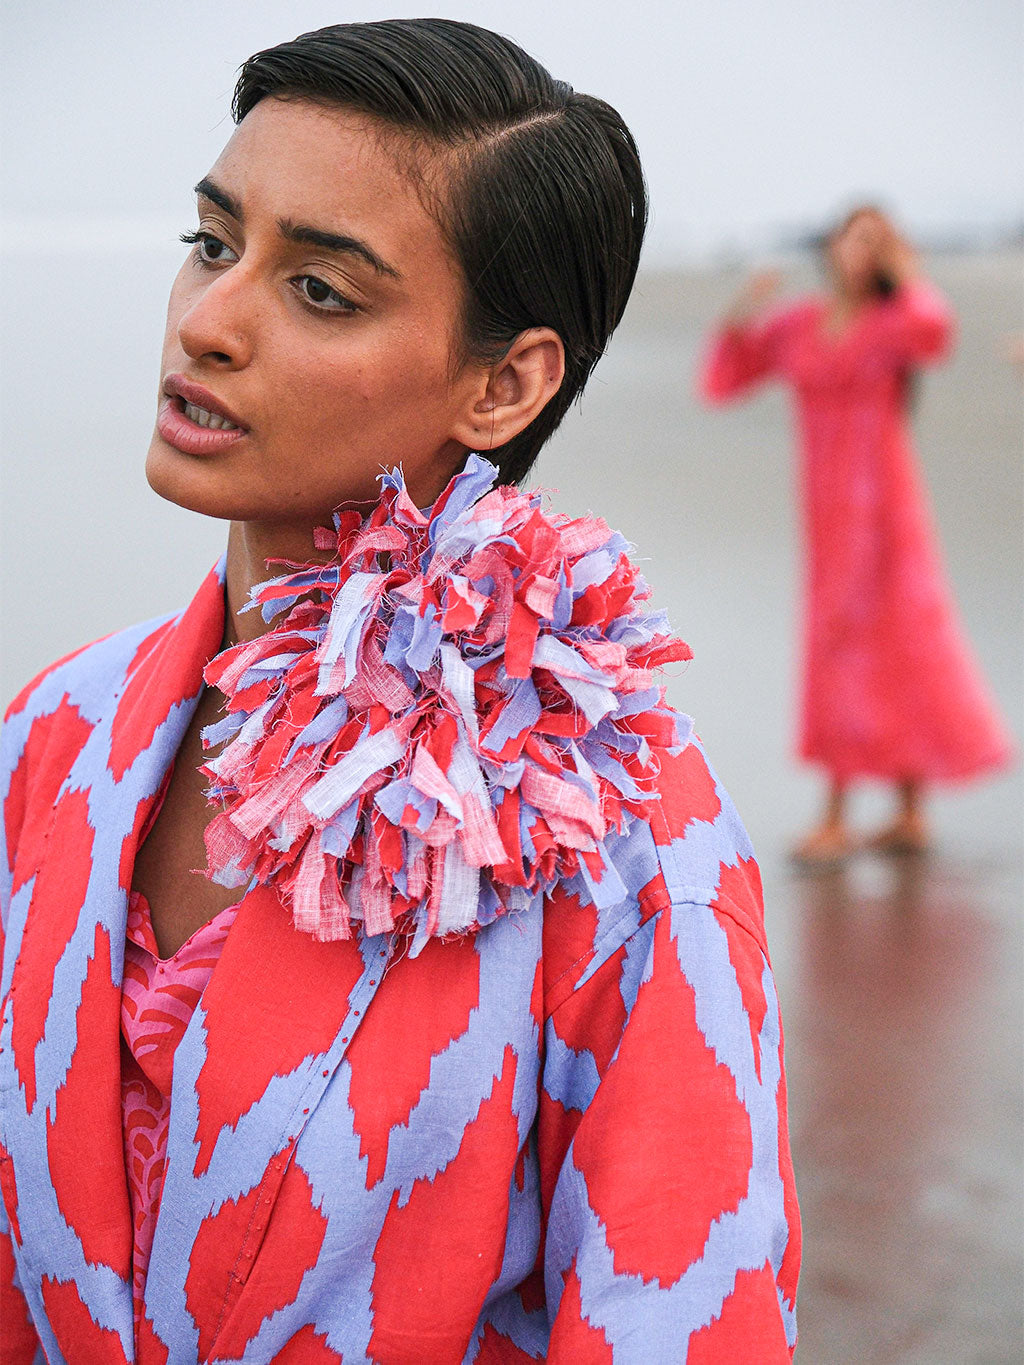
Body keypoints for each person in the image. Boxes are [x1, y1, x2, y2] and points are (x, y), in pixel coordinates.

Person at [0, 20, 799, 1362]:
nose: (207, 320)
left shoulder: (618, 821)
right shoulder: (52, 735)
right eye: (213, 241)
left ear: (505, 383)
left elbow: (681, 1317)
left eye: (322, 291)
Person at [698, 206, 1013, 864]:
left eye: (875, 241)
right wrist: (741, 308)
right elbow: (727, 378)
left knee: (902, 640)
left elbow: (936, 327)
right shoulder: (801, 324)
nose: (859, 250)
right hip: (830, 512)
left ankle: (876, 813)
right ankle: (883, 810)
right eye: (853, 235)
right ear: (833, 244)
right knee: (839, 642)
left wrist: (907, 271)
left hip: (890, 510)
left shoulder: (895, 322)